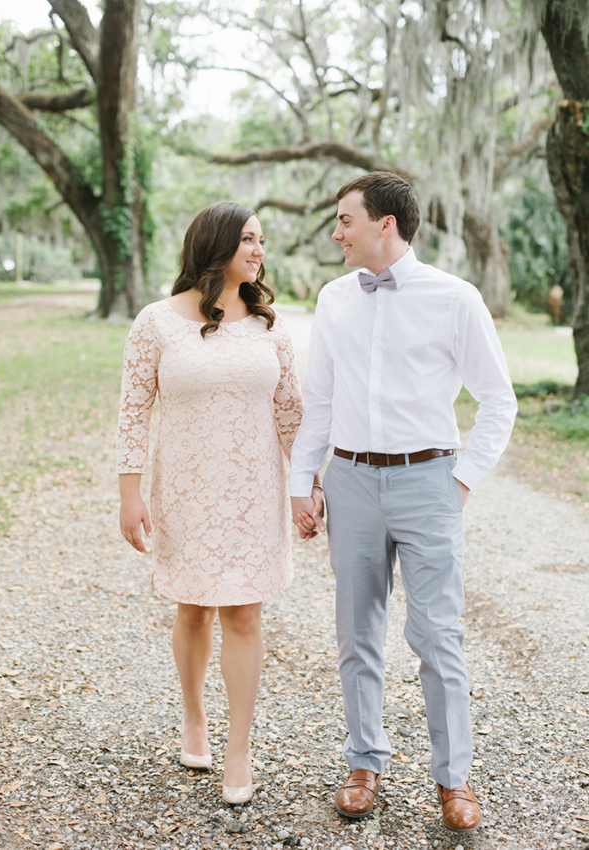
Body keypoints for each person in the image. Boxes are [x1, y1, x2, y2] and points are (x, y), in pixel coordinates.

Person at [290, 173, 517, 833]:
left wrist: (461, 480)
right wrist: (303, 482)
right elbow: (321, 402)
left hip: (429, 482)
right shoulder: (334, 300)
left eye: (345, 220)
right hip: (351, 481)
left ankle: (454, 779)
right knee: (356, 632)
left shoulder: (455, 298)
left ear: (383, 224)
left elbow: (498, 399)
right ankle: (365, 762)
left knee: (437, 635)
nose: (336, 232)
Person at [116, 202, 322, 805]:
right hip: (185, 487)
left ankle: (239, 746)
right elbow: (133, 409)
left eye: (262, 240)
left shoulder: (270, 326)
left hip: (254, 491)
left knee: (244, 614)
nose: (259, 251)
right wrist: (131, 493)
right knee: (193, 610)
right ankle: (194, 718)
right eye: (249, 240)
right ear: (216, 245)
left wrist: (305, 488)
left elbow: (291, 413)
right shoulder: (155, 322)